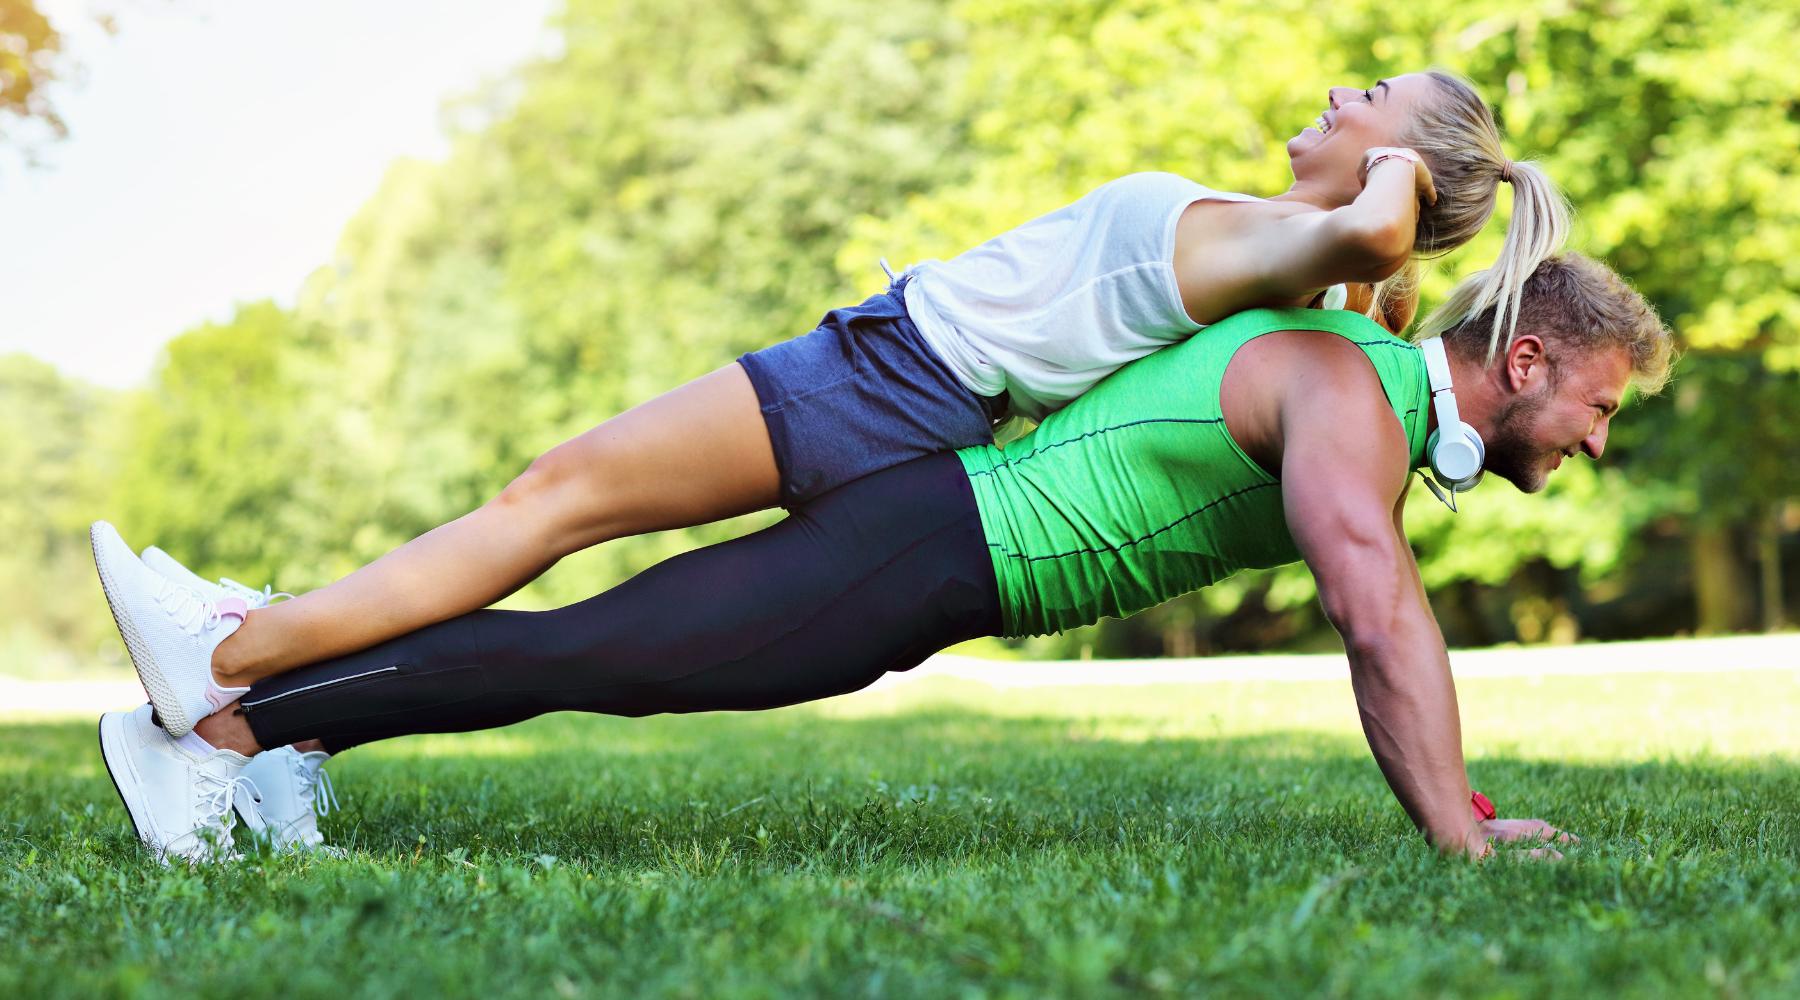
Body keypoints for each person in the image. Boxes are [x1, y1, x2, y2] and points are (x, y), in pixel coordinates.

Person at [87, 71, 1570, 758]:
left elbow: (1381, 244)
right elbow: (1377, 278)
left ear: (1404, 170)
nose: (1332, 86)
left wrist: (1415, 189)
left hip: (887, 380)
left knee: (551, 502)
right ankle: (262, 701)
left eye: (1370, 90)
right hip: (915, 404)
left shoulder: (1299, 245)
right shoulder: (1297, 289)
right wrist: (1410, 181)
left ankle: (233, 654)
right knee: (561, 528)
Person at [94, 252, 1673, 864]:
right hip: (923, 545)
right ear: (1526, 359)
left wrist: (1458, 800)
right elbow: (1373, 610)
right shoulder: (1351, 393)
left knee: (610, 659)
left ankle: (254, 698)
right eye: (1600, 409)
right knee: (595, 654)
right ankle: (226, 712)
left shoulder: (1364, 377)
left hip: (924, 557)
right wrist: (1460, 839)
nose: (1598, 444)